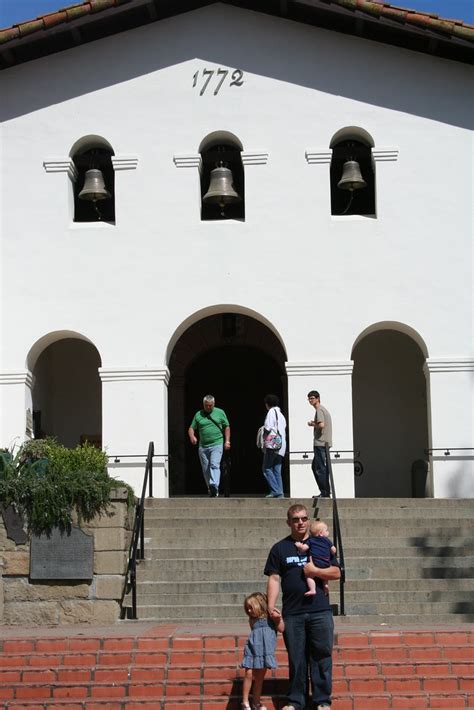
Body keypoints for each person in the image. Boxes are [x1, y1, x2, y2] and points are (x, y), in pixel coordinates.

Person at [264, 504, 340, 710]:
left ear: (308, 521)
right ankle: (296, 701)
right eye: (296, 519)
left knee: (322, 656)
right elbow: (274, 578)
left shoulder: (321, 543)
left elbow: (336, 572)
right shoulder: (280, 548)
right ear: (288, 522)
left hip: (320, 610)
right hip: (293, 612)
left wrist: (315, 570)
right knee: (296, 659)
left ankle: (322, 701)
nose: (300, 522)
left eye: (304, 518)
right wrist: (270, 607)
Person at [241, 591, 284, 710]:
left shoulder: (271, 616)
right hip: (253, 649)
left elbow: (281, 628)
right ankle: (245, 702)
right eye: (247, 608)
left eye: (251, 607)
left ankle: (256, 702)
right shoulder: (252, 620)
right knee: (249, 673)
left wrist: (278, 619)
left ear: (260, 605)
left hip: (265, 651)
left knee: (259, 678)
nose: (249, 611)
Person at [188, 394, 230, 497]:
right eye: (206, 405)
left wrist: (227, 441)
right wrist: (192, 437)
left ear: (214, 404)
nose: (208, 407)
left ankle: (214, 485)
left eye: (210, 405)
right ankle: (211, 489)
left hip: (217, 443)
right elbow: (191, 428)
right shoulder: (198, 414)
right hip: (203, 446)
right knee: (206, 468)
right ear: (203, 404)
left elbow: (227, 427)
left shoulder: (220, 412)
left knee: (214, 465)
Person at [294, 520, 337, 597]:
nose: (328, 532)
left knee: (309, 576)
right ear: (321, 533)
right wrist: (332, 552)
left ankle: (312, 589)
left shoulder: (311, 540)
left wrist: (299, 545)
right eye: (326, 530)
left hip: (315, 562)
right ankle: (325, 585)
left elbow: (304, 548)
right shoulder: (326, 540)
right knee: (325, 575)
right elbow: (333, 550)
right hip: (326, 562)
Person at [307, 391, 332, 498]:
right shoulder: (322, 409)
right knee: (317, 467)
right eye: (309, 399)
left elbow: (321, 425)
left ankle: (325, 492)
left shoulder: (319, 410)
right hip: (323, 443)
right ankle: (325, 491)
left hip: (320, 443)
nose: (310, 400)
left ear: (318, 398)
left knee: (320, 468)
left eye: (312, 398)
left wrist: (312, 424)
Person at [261, 394, 287, 498]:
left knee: (266, 468)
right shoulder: (281, 414)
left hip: (273, 443)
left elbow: (268, 427)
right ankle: (280, 492)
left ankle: (275, 490)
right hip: (282, 444)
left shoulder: (271, 412)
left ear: (267, 404)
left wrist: (263, 437)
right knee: (277, 469)